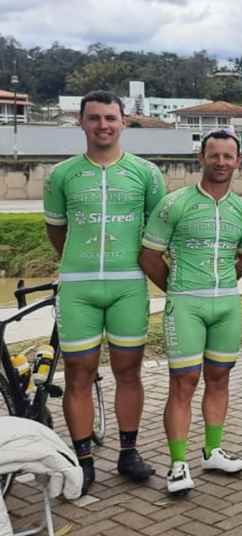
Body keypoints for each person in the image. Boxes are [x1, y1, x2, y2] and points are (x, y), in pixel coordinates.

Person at [43, 90, 165, 493]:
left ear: (123, 121)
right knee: (79, 373)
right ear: (81, 122)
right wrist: (80, 264)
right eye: (94, 118)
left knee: (128, 371)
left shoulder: (147, 174)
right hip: (78, 288)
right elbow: (57, 232)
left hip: (128, 286)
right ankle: (83, 459)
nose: (102, 125)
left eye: (110, 118)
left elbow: (156, 235)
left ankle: (128, 451)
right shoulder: (61, 175)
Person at [140, 129, 242, 495]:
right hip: (185, 305)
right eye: (214, 155)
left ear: (238, 161)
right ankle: (177, 465)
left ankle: (213, 451)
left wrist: (220, 286)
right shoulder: (175, 203)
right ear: (200, 158)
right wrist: (179, 290)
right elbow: (149, 256)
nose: (221, 162)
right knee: (184, 382)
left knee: (220, 379)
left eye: (228, 156)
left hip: (226, 304)